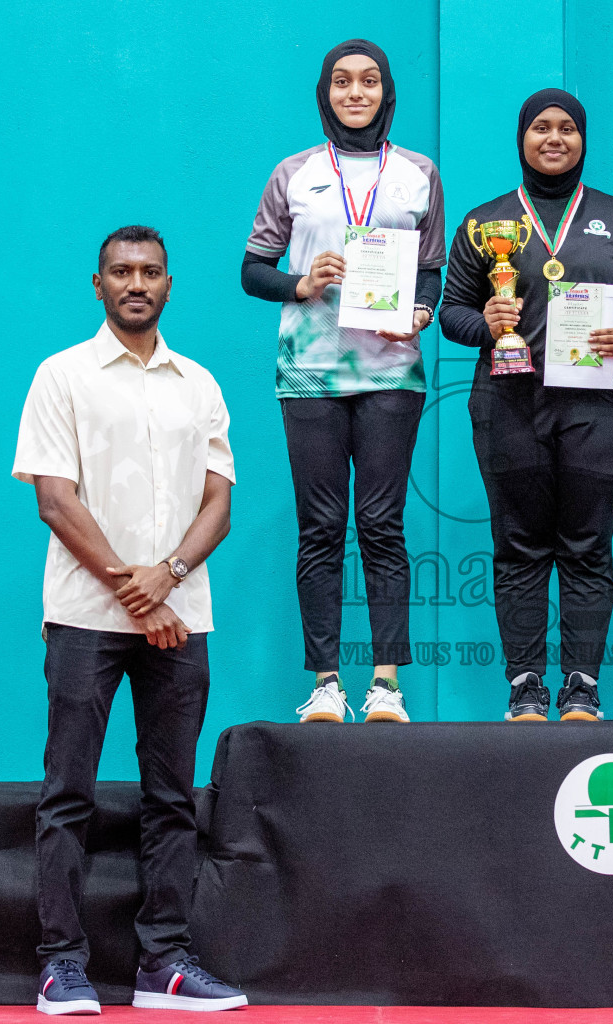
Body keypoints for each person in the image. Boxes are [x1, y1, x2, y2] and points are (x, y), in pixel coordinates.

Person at [13, 226, 245, 1013]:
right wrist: (137, 596)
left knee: (172, 795)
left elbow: (218, 502)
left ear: (169, 286)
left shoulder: (200, 384)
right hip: (86, 618)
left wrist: (169, 579)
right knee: (67, 792)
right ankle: (60, 965)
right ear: (98, 284)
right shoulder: (62, 376)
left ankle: (165, 964)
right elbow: (55, 499)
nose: (135, 282)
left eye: (149, 272)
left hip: (182, 615)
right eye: (121, 271)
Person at [439, 89, 613, 723]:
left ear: (584, 139)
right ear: (522, 138)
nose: (554, 139)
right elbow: (451, 312)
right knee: (519, 545)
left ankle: (583, 686)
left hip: (603, 401)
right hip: (509, 399)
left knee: (588, 544)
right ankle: (526, 686)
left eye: (567, 128)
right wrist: (486, 321)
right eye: (541, 127)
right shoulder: (486, 222)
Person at [243, 39, 445, 725]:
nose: (355, 93)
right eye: (341, 82)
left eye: (368, 82)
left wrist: (420, 312)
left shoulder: (418, 173)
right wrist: (300, 281)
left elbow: (432, 272)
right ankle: (327, 683)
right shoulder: (294, 173)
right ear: (325, 94)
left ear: (386, 92)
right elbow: (252, 270)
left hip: (391, 372)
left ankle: (385, 684)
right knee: (321, 527)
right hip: (309, 372)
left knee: (382, 525)